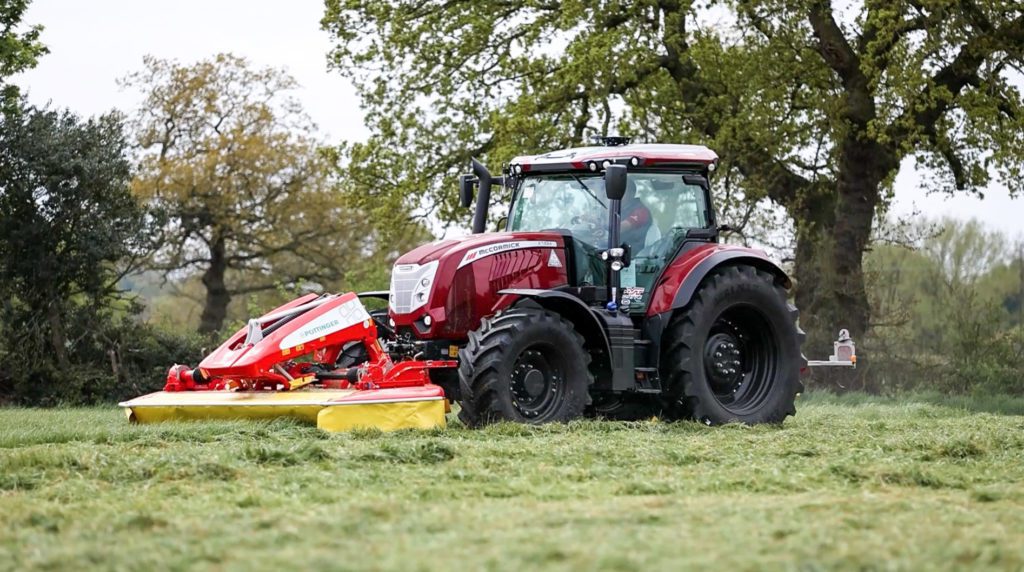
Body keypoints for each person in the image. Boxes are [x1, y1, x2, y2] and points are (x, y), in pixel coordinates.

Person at [620, 179, 652, 251]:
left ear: (631, 194)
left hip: (634, 255)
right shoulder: (618, 209)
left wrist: (603, 227)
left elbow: (620, 228)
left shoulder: (641, 211)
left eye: (622, 192)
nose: (618, 195)